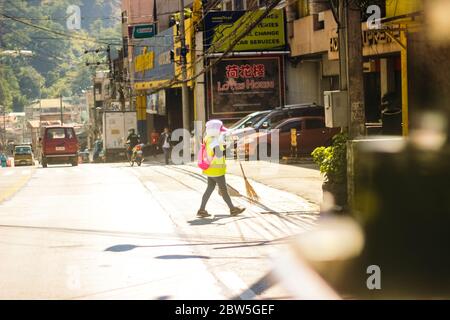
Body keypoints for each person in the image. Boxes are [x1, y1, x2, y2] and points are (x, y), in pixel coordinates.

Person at [197, 119, 245, 218]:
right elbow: (219, 154)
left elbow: (218, 146)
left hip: (209, 169)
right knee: (224, 190)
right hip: (217, 170)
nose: (221, 131)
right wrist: (232, 146)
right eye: (220, 129)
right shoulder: (214, 140)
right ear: (215, 130)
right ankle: (232, 209)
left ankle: (201, 210)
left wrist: (230, 144)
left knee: (209, 189)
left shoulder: (208, 138)